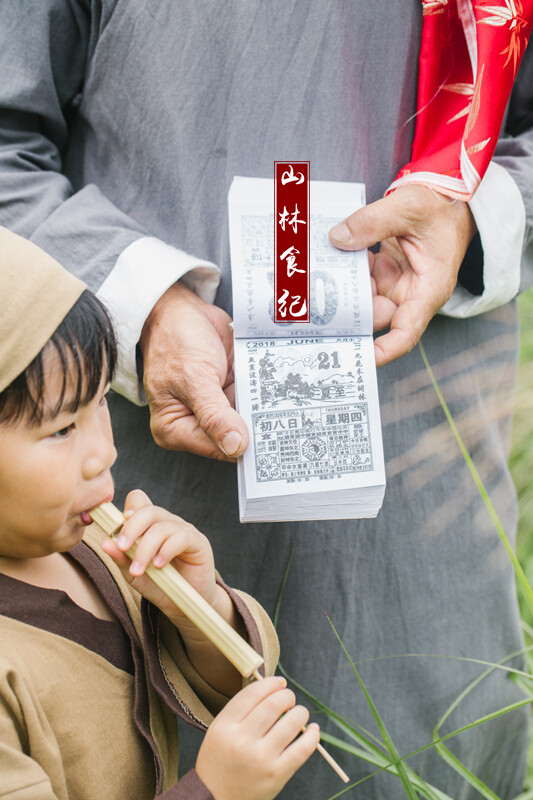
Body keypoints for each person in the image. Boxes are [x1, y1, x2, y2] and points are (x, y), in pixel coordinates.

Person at [0, 3, 532, 797]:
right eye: (66, 429)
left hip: (419, 497)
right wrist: (147, 309)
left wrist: (469, 219)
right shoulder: (87, 511)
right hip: (156, 464)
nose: (92, 447)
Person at [0, 228, 321, 800]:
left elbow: (222, 679)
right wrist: (215, 791)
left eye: (100, 401)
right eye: (61, 428)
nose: (105, 450)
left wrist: (196, 609)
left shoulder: (88, 549)